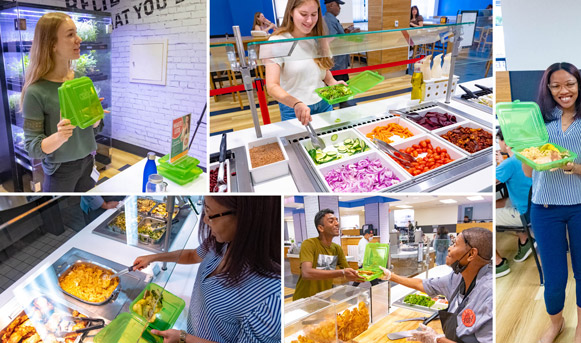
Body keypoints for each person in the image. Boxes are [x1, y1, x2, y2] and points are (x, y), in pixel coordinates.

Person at [522, 62, 581, 343]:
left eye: (569, 84)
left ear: (579, 85)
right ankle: (555, 323)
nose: (563, 91)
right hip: (545, 208)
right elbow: (528, 171)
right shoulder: (537, 119)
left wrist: (571, 167)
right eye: (556, 85)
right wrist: (522, 153)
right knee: (554, 277)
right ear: (548, 88)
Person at [132, 196, 282, 343]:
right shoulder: (223, 241)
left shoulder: (270, 299)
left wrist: (185, 338)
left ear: (246, 218)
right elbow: (192, 255)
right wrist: (153, 257)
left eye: (210, 214)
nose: (205, 220)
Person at [22, 12, 107, 192]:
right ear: (52, 44)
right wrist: (60, 136)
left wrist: (95, 120)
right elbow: (32, 148)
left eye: (76, 33)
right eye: (70, 34)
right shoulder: (35, 92)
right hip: (60, 171)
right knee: (66, 218)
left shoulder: (80, 80)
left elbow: (95, 128)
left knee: (87, 210)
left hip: (89, 162)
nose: (79, 39)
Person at [379, 227, 493, 343]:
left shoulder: (489, 295)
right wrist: (390, 276)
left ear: (471, 254)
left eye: (454, 245)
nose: (449, 248)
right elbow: (421, 283)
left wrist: (437, 339)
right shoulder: (457, 277)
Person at [262, 0, 345, 125]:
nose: (309, 21)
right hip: (294, 108)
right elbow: (272, 86)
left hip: (324, 101)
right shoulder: (277, 41)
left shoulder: (319, 38)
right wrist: (296, 103)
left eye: (313, 14)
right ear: (291, 12)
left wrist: (333, 83)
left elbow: (323, 69)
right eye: (303, 14)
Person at [293, 209, 365, 300]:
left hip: (324, 299)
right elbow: (306, 273)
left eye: (337, 220)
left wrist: (363, 275)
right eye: (331, 221)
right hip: (304, 300)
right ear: (321, 228)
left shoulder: (336, 248)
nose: (337, 223)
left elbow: (348, 272)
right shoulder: (309, 244)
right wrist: (342, 272)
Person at [494, 128, 535, 278]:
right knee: (499, 202)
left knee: (482, 220)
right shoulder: (527, 156)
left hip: (523, 213)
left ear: (505, 142)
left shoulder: (509, 164)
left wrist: (501, 165)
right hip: (533, 207)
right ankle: (525, 239)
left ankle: (498, 264)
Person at [324, 0, 360, 109]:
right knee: (340, 83)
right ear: (331, 5)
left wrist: (346, 31)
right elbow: (334, 41)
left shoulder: (331, 19)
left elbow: (336, 36)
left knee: (343, 82)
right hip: (337, 62)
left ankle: (345, 104)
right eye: (338, 5)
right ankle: (345, 106)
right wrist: (351, 35)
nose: (340, 8)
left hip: (340, 61)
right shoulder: (328, 20)